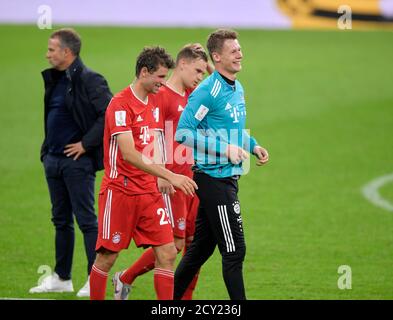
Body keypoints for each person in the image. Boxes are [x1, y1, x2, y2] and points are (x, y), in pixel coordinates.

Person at [89, 46, 198, 300]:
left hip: (148, 192)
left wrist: (160, 175)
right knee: (107, 257)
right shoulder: (119, 104)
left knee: (168, 252)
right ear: (144, 72)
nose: (164, 83)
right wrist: (170, 174)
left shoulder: (154, 102)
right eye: (160, 77)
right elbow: (129, 153)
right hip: (121, 191)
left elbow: (157, 141)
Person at [173, 29, 269, 300]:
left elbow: (235, 129)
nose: (240, 53)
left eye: (239, 49)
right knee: (235, 251)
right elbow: (183, 132)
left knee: (200, 250)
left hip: (227, 177)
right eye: (233, 50)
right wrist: (224, 149)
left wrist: (253, 146)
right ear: (216, 56)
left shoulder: (238, 88)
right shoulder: (207, 91)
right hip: (213, 178)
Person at [29, 28, 112, 297]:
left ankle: (93, 279)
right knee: (60, 220)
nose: (47, 54)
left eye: (52, 49)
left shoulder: (90, 79)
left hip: (77, 163)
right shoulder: (56, 79)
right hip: (53, 160)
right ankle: (62, 277)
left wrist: (86, 144)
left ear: (67, 52)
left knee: (87, 221)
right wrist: (46, 151)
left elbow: (108, 114)